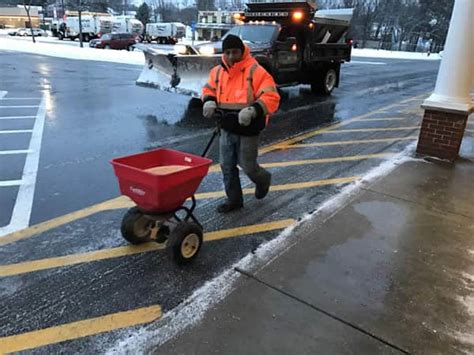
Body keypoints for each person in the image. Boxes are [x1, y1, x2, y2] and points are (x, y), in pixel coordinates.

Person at [201, 35, 280, 213]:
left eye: (234, 52)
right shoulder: (217, 72)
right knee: (227, 165)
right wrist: (208, 100)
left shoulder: (256, 71)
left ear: (242, 51)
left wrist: (254, 110)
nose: (230, 56)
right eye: (227, 52)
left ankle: (263, 179)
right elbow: (208, 89)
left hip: (248, 127)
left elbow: (272, 97)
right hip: (227, 126)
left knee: (248, 166)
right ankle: (234, 200)